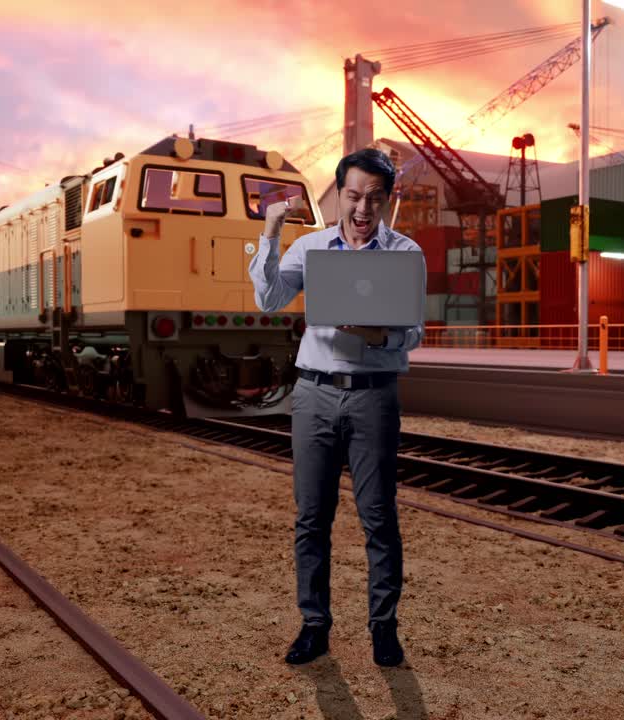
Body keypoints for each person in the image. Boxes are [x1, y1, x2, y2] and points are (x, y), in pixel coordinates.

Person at [248, 148, 424, 667]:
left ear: (386, 199)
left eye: (373, 197)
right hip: (315, 394)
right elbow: (269, 299)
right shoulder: (310, 247)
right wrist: (270, 235)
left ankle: (384, 629)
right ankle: (314, 626)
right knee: (311, 518)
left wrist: (377, 334)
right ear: (339, 195)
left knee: (378, 516)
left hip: (374, 394)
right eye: (353, 196)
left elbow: (413, 332)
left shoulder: (404, 252)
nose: (362, 208)